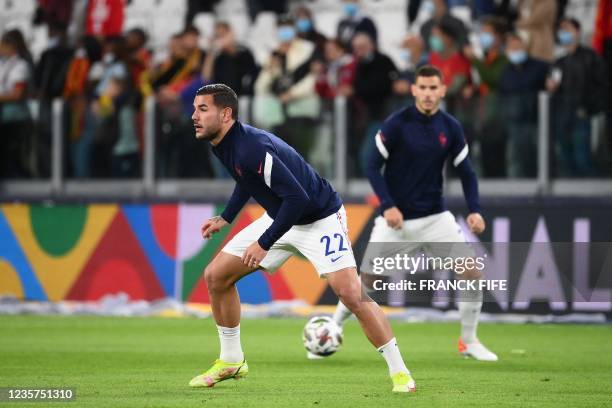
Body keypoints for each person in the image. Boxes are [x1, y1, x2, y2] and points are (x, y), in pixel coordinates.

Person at [187, 84, 416, 393]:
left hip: (319, 218)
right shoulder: (225, 143)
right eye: (195, 109)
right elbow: (247, 179)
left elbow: (298, 197)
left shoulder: (250, 146)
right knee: (216, 276)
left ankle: (400, 373)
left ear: (225, 113)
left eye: (202, 109)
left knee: (350, 293)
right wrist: (226, 217)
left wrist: (264, 242)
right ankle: (231, 360)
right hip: (282, 214)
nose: (194, 116)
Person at [328, 66, 498, 362]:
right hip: (397, 220)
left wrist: (475, 210)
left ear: (442, 91)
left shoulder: (450, 127)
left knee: (471, 272)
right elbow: (371, 166)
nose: (429, 94)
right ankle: (332, 327)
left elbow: (467, 173)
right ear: (414, 90)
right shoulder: (397, 124)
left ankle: (468, 341)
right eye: (423, 88)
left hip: (435, 218)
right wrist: (388, 206)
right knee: (365, 282)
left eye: (434, 88)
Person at [546, 18, 608, 177]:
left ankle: (597, 193)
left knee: (583, 158)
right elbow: (552, 89)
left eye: (568, 29)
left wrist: (589, 109)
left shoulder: (591, 58)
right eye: (562, 30)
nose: (564, 33)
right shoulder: (559, 62)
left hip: (582, 115)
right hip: (563, 117)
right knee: (566, 158)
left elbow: (603, 86)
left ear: (578, 32)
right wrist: (551, 88)